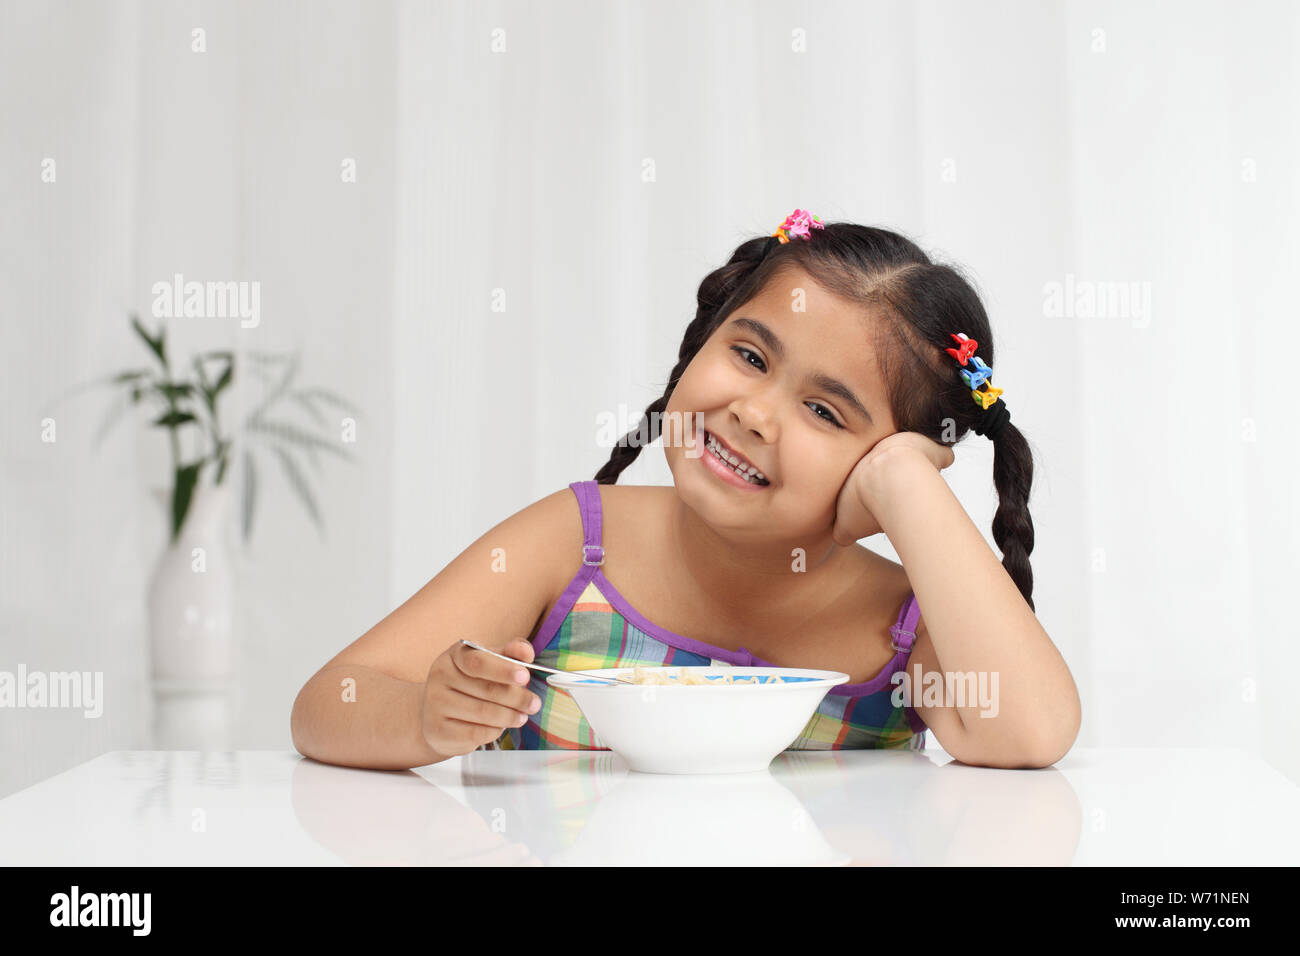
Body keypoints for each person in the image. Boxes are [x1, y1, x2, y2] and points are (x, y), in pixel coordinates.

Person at [291, 210, 1081, 771]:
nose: (753, 413)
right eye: (748, 355)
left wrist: (909, 489)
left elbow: (1031, 733)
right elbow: (331, 702)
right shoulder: (573, 543)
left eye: (823, 411)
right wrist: (424, 718)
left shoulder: (907, 624)